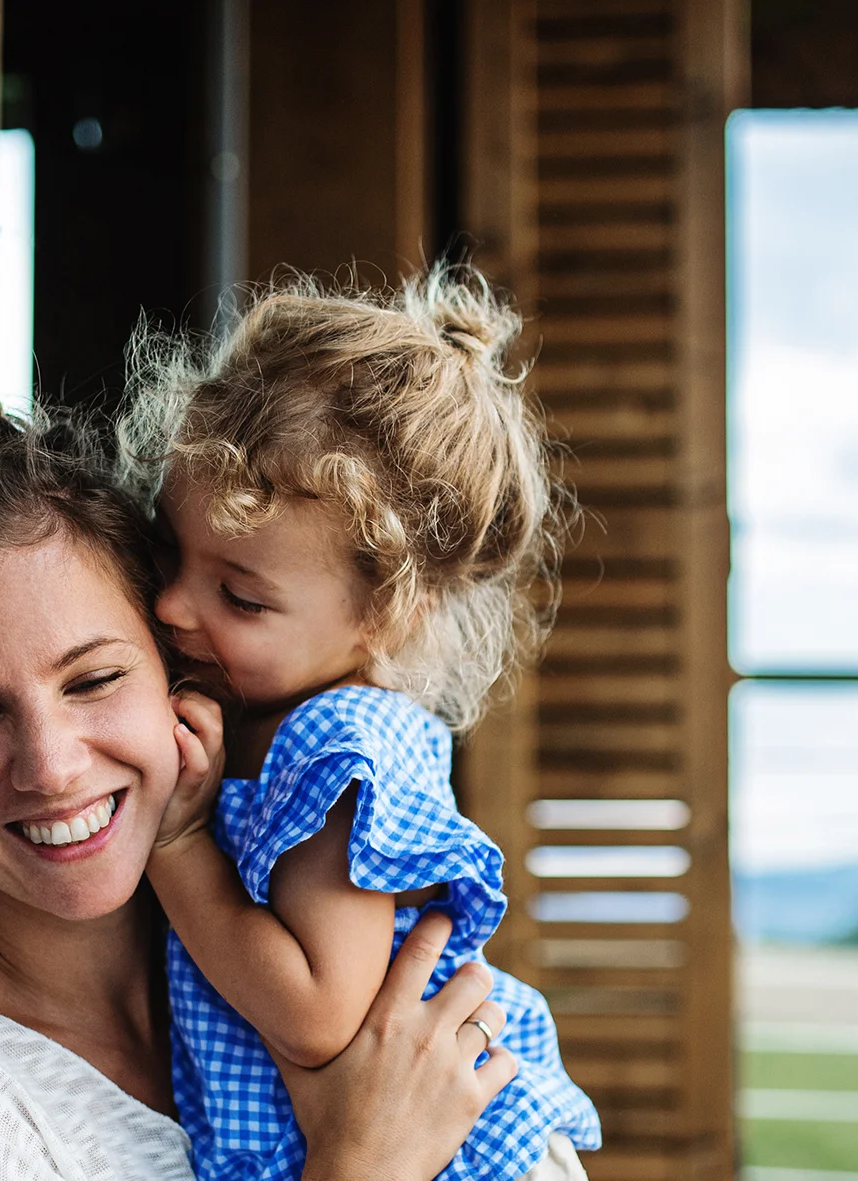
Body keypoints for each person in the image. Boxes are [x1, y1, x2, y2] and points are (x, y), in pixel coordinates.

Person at [0, 410, 521, 1181]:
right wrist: (365, 1163)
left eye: (96, 679)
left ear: (179, 670)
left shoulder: (277, 948)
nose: (51, 766)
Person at [119, 266, 602, 1180]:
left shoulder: (336, 750)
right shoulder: (274, 711)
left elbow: (316, 1012)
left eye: (240, 596)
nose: (175, 605)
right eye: (167, 549)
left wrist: (178, 847)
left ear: (386, 615)